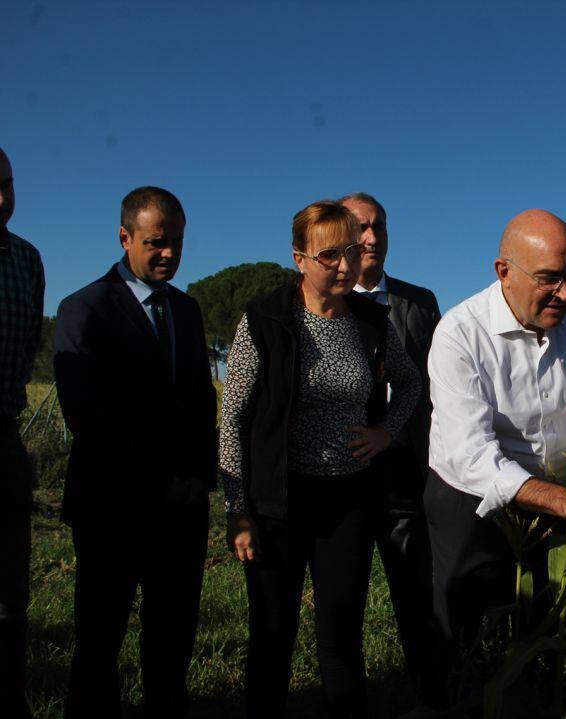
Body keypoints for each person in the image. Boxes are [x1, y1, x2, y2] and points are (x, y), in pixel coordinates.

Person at [220, 200, 421, 717]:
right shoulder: (264, 320)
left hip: (349, 499)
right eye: (328, 253)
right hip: (279, 500)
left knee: (340, 630)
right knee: (272, 630)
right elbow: (234, 416)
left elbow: (412, 384)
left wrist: (386, 433)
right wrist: (238, 509)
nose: (343, 264)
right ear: (299, 259)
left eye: (351, 251)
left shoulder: (372, 321)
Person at [425, 209, 566, 662]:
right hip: (473, 505)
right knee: (473, 642)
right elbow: (472, 456)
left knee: (552, 630)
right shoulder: (459, 333)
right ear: (503, 272)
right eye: (549, 278)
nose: (564, 294)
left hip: (560, 501)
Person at [53, 187, 217, 718]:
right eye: (155, 242)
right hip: (112, 508)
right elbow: (88, 415)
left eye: (177, 242)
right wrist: (158, 480)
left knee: (171, 644)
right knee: (100, 642)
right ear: (125, 238)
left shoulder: (188, 312)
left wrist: (197, 479)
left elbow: (198, 403)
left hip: (181, 509)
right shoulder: (84, 309)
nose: (168, 253)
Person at [339, 192, 442, 702]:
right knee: (343, 601)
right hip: (342, 478)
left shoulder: (420, 303)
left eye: (379, 225)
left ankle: (431, 694)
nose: (372, 237)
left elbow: (439, 389)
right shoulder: (320, 304)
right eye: (360, 227)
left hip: (408, 476)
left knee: (416, 594)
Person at [0, 147, 44, 719]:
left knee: (10, 591)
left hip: (4, 440)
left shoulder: (26, 260)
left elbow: (30, 339)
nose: (0, 198)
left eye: (6, 183)